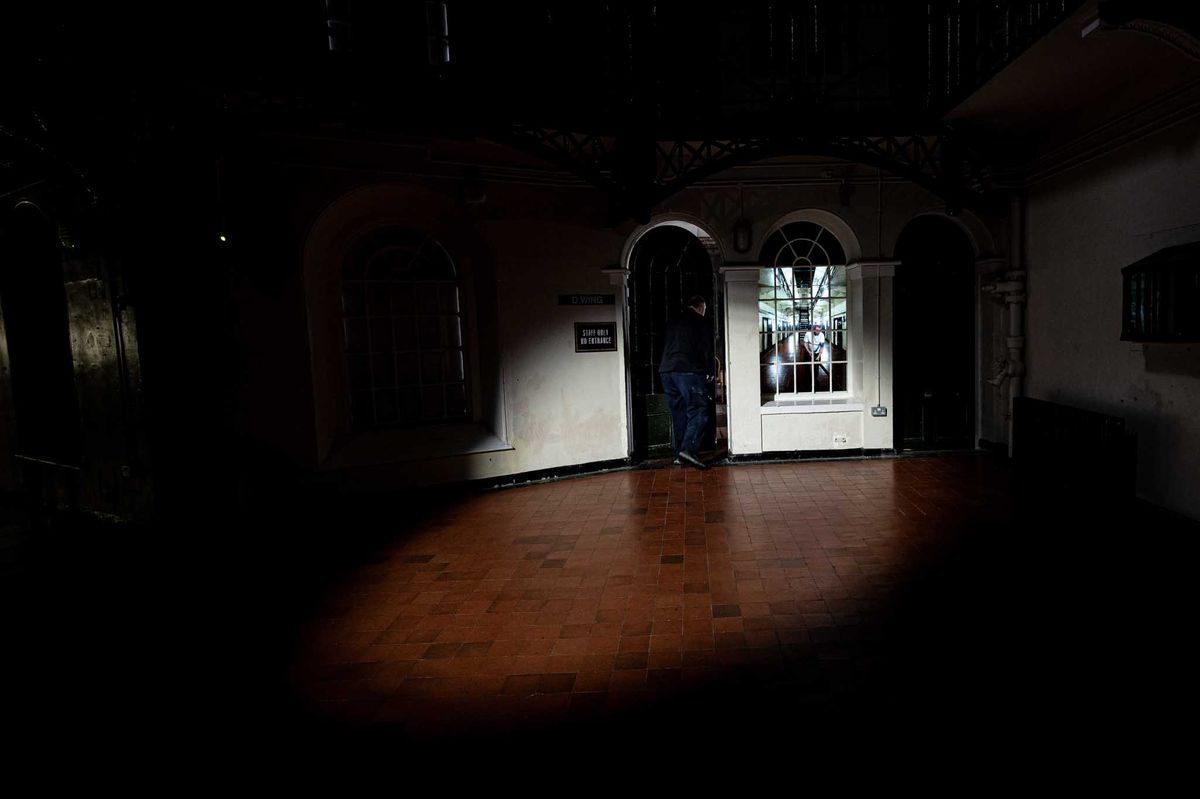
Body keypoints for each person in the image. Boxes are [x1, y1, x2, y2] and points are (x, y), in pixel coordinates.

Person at [658, 295, 713, 469]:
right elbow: (705, 348)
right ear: (700, 307)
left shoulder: (673, 321)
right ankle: (689, 450)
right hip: (688, 371)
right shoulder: (700, 321)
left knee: (679, 413)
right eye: (704, 309)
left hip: (666, 371)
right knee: (698, 410)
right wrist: (710, 370)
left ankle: (679, 456)